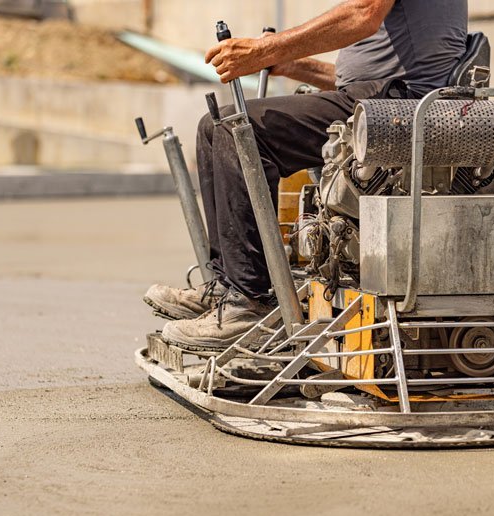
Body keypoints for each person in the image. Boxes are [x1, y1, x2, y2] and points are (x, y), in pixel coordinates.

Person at [145, 0, 468, 351]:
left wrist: (264, 48)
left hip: (398, 109)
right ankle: (227, 287)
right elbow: (360, 76)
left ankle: (247, 301)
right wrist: (292, 65)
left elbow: (363, 15)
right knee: (215, 125)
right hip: (381, 100)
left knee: (239, 130)